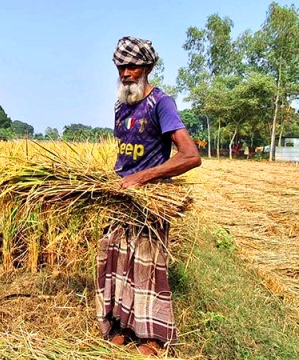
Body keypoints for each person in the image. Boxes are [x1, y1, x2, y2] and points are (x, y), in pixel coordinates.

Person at [96, 37, 201, 355]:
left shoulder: (161, 103)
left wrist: (142, 177)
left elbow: (190, 156)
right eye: (120, 66)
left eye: (132, 66)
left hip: (149, 199)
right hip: (121, 198)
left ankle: (151, 336)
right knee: (117, 261)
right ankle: (121, 326)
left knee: (145, 266)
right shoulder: (119, 105)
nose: (126, 72)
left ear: (148, 67)